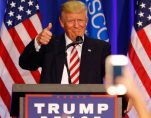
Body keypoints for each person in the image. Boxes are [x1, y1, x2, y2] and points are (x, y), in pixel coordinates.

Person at [19, 0, 111, 84]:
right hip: (52, 101)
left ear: (86, 21)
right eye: (71, 21)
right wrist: (37, 42)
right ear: (62, 22)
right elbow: (26, 64)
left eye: (80, 20)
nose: (76, 25)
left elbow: (114, 78)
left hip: (88, 101)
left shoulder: (101, 48)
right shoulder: (49, 44)